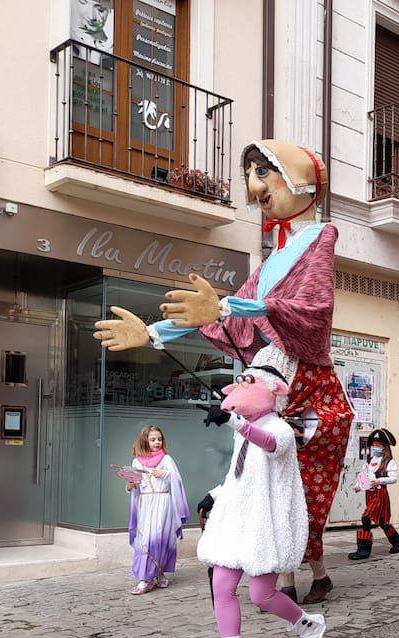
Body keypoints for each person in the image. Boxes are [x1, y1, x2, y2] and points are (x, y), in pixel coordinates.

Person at [93, 139, 354, 604]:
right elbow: (221, 316)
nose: (255, 188)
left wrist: (233, 304)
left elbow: (314, 309)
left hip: (309, 390)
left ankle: (305, 573)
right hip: (268, 383)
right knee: (261, 481)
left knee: (298, 489)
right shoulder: (271, 260)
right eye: (251, 176)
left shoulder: (322, 237)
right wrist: (154, 333)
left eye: (263, 173)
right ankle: (279, 575)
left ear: (297, 177)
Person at [195, 350, 326, 638]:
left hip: (264, 524)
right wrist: (214, 495)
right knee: (222, 586)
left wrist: (235, 422)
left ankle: (308, 624)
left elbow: (269, 444)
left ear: (273, 391)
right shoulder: (242, 432)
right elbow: (239, 476)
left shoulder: (280, 428)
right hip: (237, 520)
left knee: (261, 595)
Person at [125, 425, 189, 595]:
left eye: (159, 439)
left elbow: (178, 481)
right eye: (153, 439)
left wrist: (167, 475)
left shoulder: (166, 459)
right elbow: (134, 486)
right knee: (145, 539)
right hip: (145, 504)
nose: (157, 442)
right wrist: (130, 485)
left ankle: (149, 578)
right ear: (144, 441)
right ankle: (151, 576)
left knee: (159, 538)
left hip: (163, 502)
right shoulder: (136, 461)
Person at [348, 428, 399, 560]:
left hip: (380, 494)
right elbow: (364, 478)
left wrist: (379, 480)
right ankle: (397, 541)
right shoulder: (369, 461)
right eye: (374, 445)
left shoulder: (389, 461)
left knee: (366, 517)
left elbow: (393, 478)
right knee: (383, 522)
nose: (375, 447)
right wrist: (358, 486)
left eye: (378, 445)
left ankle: (363, 549)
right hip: (369, 494)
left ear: (384, 447)